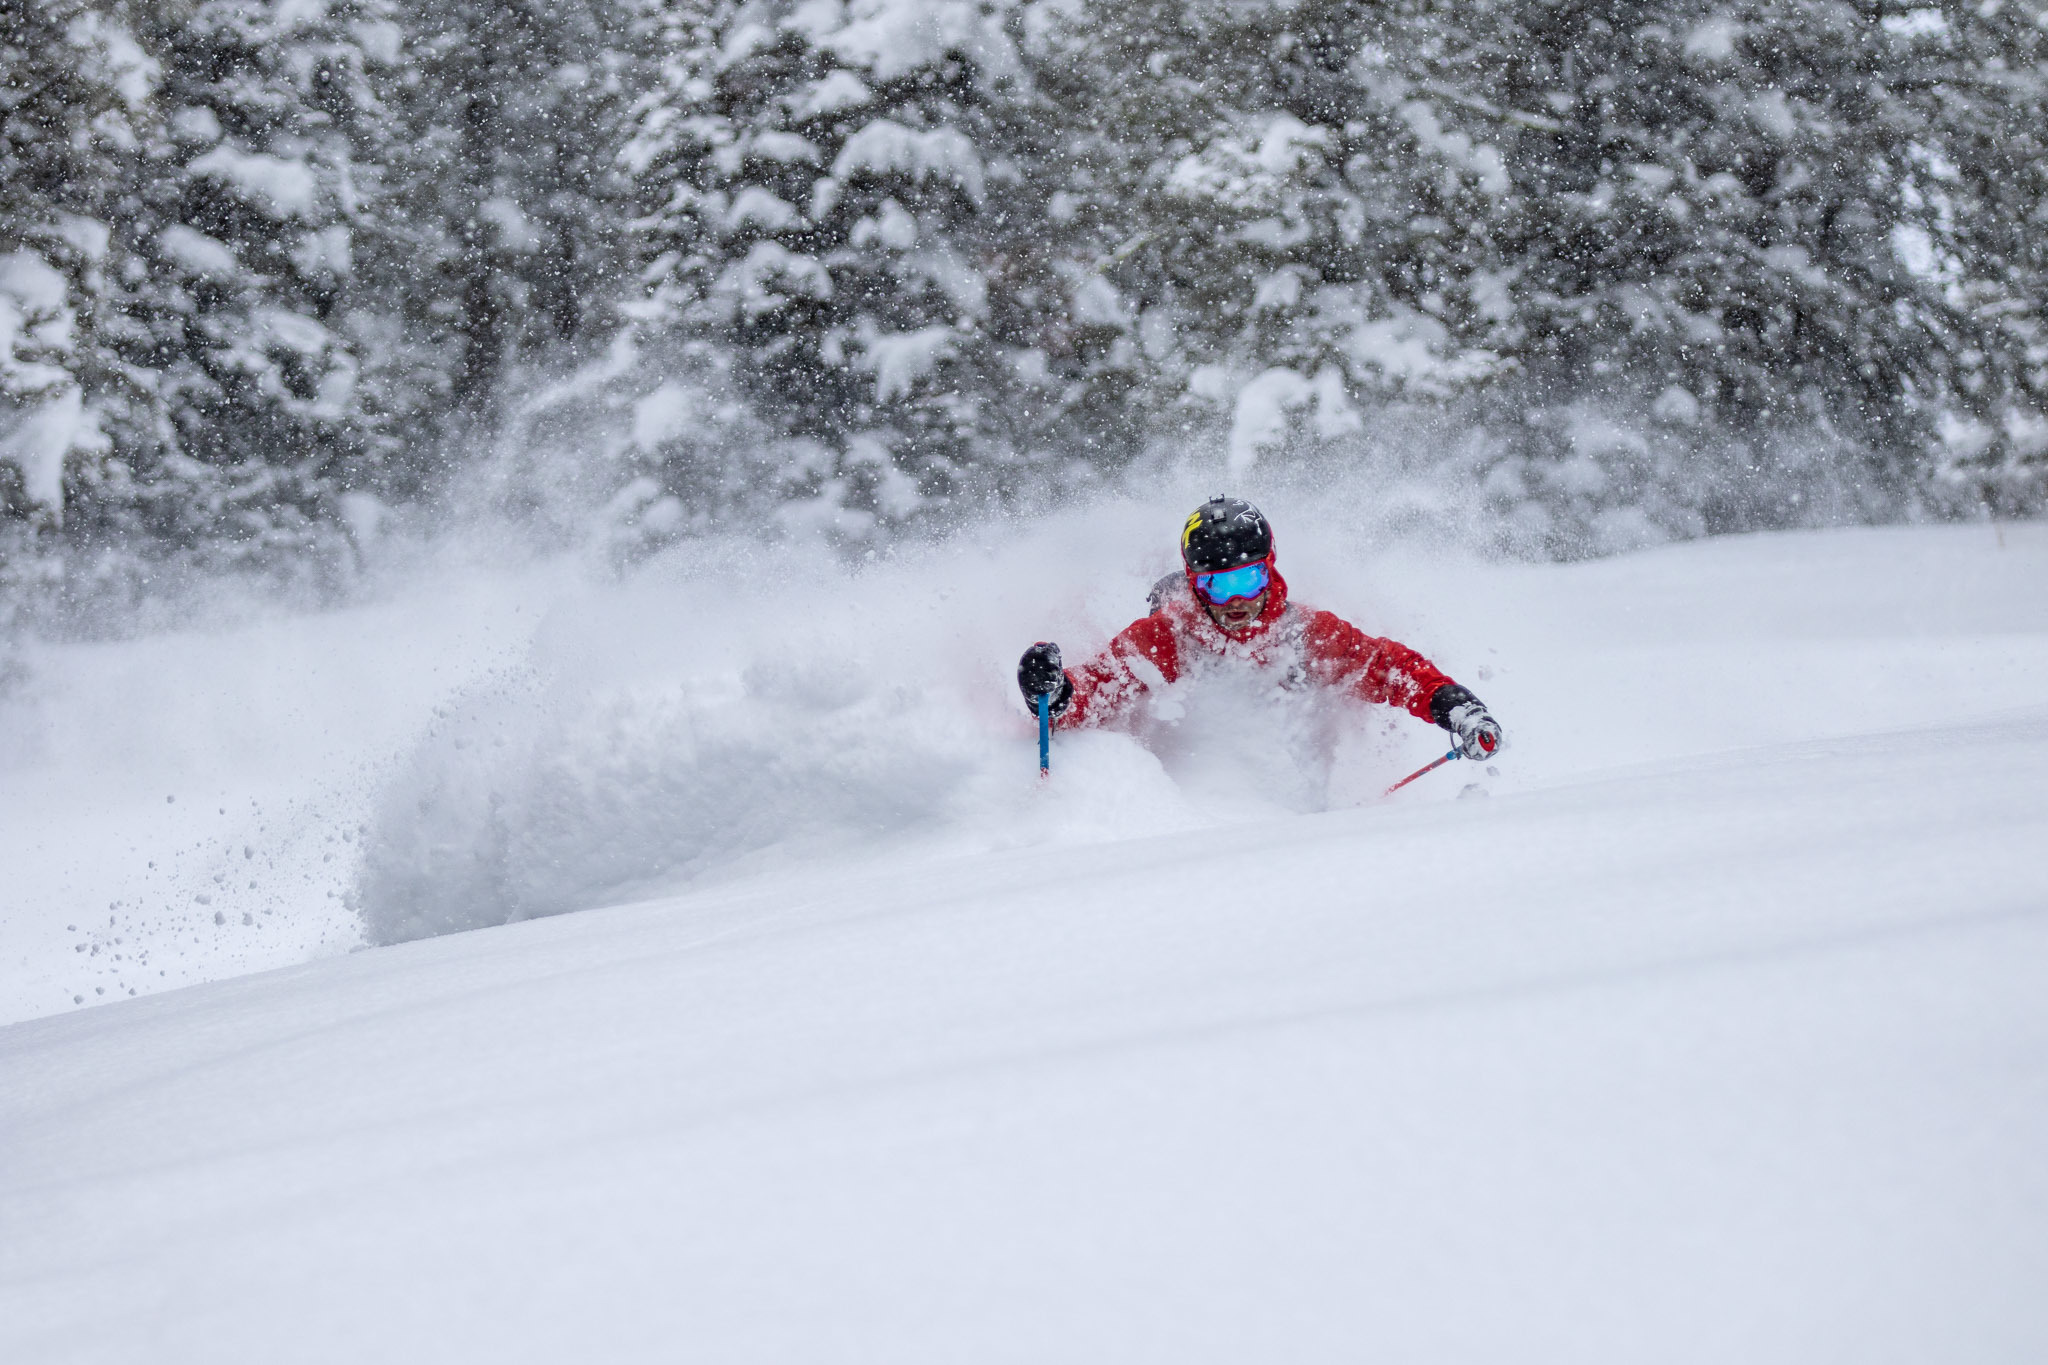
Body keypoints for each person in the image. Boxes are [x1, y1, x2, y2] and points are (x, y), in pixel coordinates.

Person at [1016, 497, 1504, 762]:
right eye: (1215, 585)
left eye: (1248, 579)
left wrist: (1456, 707)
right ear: (1192, 582)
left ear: (1269, 569)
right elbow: (1102, 685)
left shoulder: (1304, 634)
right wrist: (1054, 692)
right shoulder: (1168, 637)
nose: (1235, 602)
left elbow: (1389, 668)